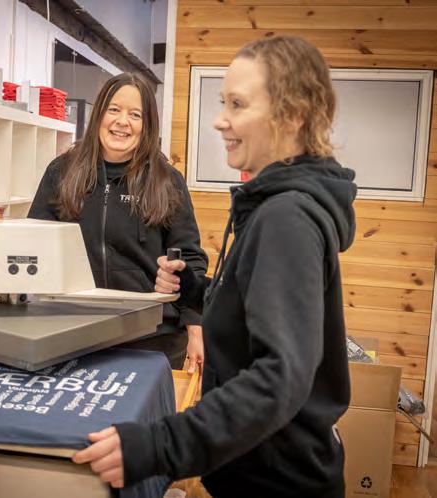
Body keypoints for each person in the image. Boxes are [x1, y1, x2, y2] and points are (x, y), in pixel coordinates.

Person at [72, 35, 357, 498]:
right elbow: (251, 309)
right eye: (224, 103)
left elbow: (279, 377)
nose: (220, 120)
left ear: (294, 116)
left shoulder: (286, 217)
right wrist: (193, 290)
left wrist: (159, 445)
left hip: (278, 481)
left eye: (237, 104)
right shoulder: (274, 206)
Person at [28, 73, 208, 371]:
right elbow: (34, 243)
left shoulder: (166, 181)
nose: (122, 121)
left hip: (153, 336)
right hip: (74, 332)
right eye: (114, 109)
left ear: (147, 125)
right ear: (99, 114)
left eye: (135, 115)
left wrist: (195, 328)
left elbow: (189, 258)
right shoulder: (62, 172)